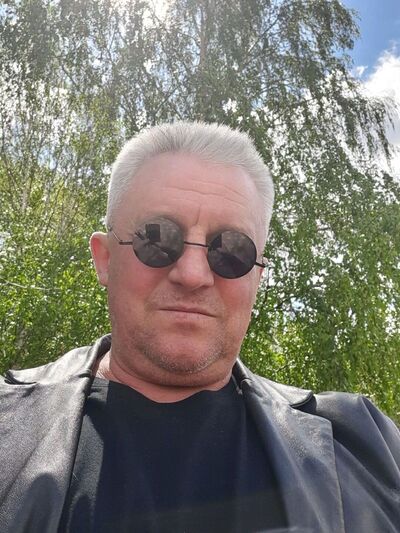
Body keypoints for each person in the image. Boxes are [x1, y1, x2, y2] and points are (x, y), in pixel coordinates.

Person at [1, 122, 399, 533]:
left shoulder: (362, 447)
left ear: (256, 278)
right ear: (105, 259)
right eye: (157, 239)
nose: (192, 275)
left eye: (232, 251)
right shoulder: (7, 425)